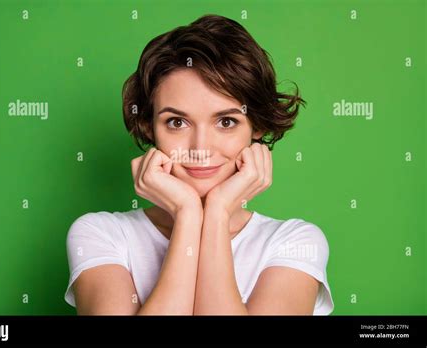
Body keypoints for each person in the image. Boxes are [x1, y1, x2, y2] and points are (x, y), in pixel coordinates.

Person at [64, 14, 334, 315]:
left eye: (226, 121)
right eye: (177, 122)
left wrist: (216, 213)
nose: (200, 148)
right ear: (150, 126)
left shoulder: (294, 242)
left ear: (257, 125)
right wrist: (188, 214)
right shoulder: (100, 234)